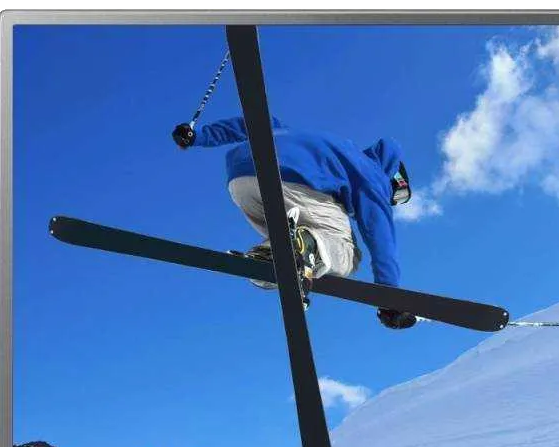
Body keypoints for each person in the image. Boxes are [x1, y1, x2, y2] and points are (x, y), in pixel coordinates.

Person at [172, 116, 417, 329]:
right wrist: (390, 296)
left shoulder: (308, 140)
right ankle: (308, 247)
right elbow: (380, 235)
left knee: (288, 231)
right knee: (348, 255)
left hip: (242, 179)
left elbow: (254, 123)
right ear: (395, 181)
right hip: (297, 183)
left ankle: (271, 255)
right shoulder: (373, 175)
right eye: (396, 198)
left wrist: (199, 136)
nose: (391, 202)